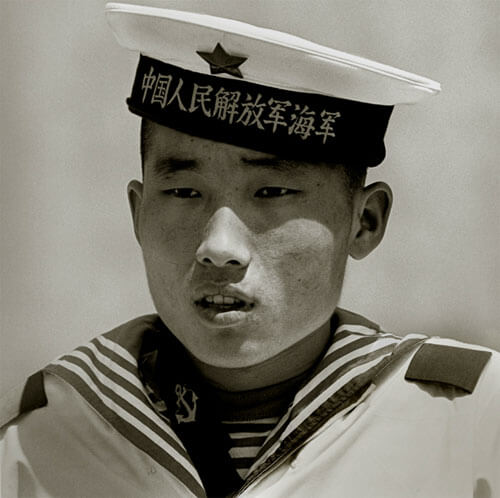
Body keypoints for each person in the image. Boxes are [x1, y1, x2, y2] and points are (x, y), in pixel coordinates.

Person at [1, 3, 499, 497]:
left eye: (271, 193)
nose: (218, 248)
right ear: (138, 212)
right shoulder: (39, 438)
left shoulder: (468, 423)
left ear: (364, 223)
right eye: (183, 192)